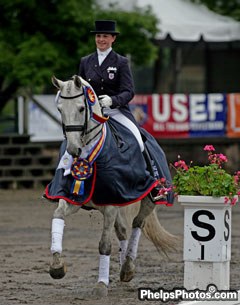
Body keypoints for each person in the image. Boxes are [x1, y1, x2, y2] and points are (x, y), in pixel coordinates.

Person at [78, 20, 162, 202]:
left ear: (113, 39)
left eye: (105, 36)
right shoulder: (85, 62)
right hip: (93, 114)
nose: (101, 39)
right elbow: (80, 89)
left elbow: (129, 91)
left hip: (116, 111)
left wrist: (112, 100)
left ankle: (153, 183)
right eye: (98, 36)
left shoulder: (121, 62)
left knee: (139, 141)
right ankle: (66, 183)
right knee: (72, 141)